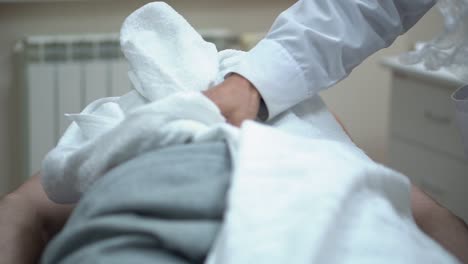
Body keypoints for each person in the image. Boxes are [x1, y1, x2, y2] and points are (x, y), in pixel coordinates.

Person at [1, 0, 468, 263]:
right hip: (146, 213)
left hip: (155, 212)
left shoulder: (299, 104)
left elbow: (21, 208)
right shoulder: (130, 114)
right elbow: (420, 211)